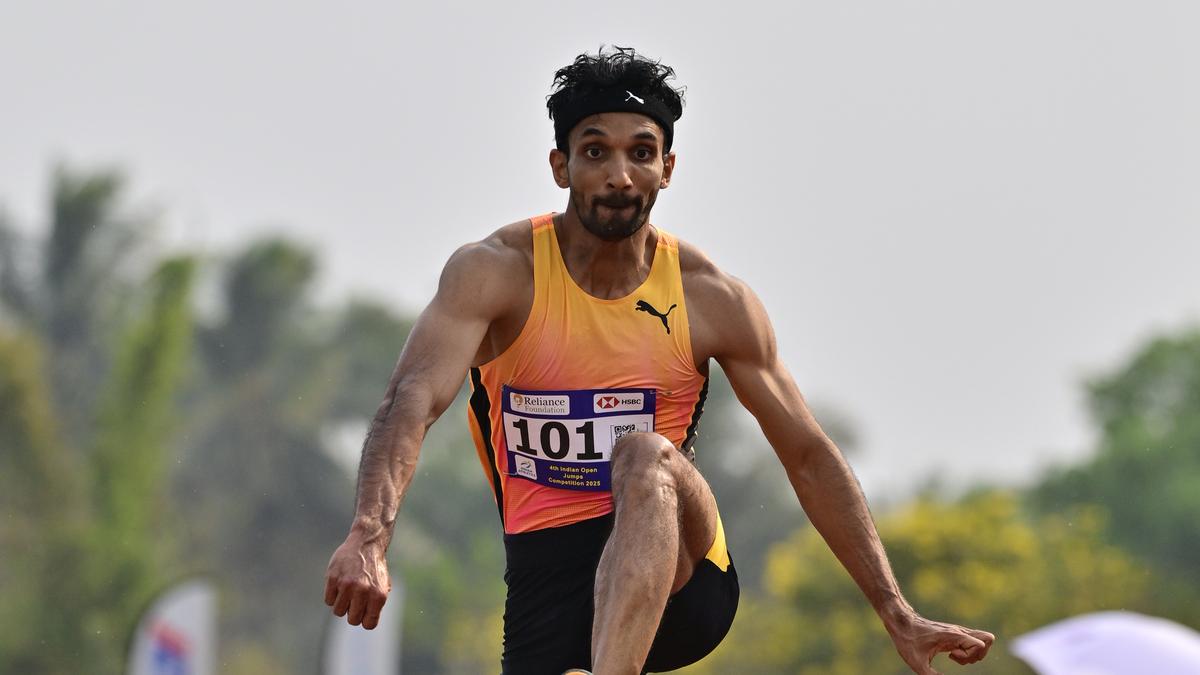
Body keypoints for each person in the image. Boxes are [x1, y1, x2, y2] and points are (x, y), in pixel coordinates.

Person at [323, 46, 995, 675]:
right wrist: (369, 536)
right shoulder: (495, 274)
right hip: (547, 586)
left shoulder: (710, 297)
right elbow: (410, 400)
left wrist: (895, 608)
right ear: (561, 166)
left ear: (666, 169)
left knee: (646, 456)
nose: (620, 175)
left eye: (641, 153)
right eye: (596, 152)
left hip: (684, 575)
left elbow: (810, 455)